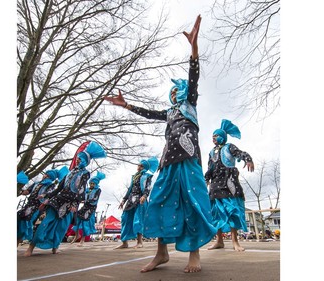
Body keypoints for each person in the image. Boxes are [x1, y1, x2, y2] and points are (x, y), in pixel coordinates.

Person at [104, 15, 217, 273]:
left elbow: (194, 76)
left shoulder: (190, 102)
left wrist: (194, 49)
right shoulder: (169, 112)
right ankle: (161, 254)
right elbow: (148, 113)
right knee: (158, 202)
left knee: (192, 202)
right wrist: (127, 105)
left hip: (188, 159)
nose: (176, 93)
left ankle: (193, 254)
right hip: (167, 161)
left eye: (179, 90)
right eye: (173, 92)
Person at [23, 141, 107, 256]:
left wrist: (75, 204)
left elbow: (81, 189)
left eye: (80, 159)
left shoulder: (85, 173)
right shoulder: (69, 172)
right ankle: (31, 247)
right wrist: (47, 196)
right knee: (45, 222)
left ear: (85, 162)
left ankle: (55, 247)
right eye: (77, 158)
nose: (78, 160)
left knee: (62, 227)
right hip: (58, 200)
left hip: (70, 204)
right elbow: (59, 187)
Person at [204, 119, 254, 252]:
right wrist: (205, 179)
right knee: (216, 213)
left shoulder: (229, 147)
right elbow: (210, 168)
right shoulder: (211, 152)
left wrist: (247, 159)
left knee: (232, 211)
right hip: (215, 186)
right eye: (212, 136)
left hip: (229, 183)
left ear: (223, 137)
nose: (214, 138)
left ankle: (235, 241)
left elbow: (240, 153)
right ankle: (219, 241)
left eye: (216, 136)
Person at [114, 157, 159, 249]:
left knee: (138, 220)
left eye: (140, 165)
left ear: (143, 167)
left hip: (140, 200)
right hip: (130, 200)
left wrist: (144, 196)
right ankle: (124, 242)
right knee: (125, 219)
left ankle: (139, 242)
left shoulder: (147, 176)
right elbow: (130, 189)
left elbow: (148, 187)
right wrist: (123, 200)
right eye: (139, 165)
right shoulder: (134, 176)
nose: (138, 166)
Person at [17, 167, 68, 247]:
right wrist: (21, 191)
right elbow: (28, 191)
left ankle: (22, 240)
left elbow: (49, 196)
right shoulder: (37, 183)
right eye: (45, 174)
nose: (44, 176)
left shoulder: (50, 185)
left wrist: (44, 202)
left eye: (47, 176)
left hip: (37, 207)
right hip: (28, 204)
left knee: (26, 221)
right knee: (19, 218)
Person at [71, 171, 106, 246]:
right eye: (91, 183)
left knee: (85, 223)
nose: (92, 185)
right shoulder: (86, 190)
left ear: (96, 184)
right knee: (76, 219)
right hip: (84, 207)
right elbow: (81, 196)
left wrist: (86, 200)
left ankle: (82, 240)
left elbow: (95, 199)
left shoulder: (98, 190)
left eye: (93, 183)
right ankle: (77, 235)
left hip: (91, 208)